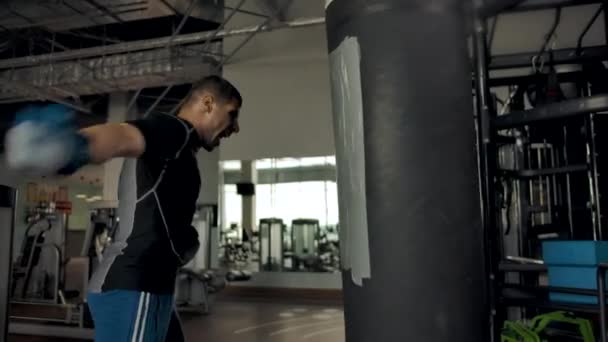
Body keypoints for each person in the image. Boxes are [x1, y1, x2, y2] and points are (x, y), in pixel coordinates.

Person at [4, 75, 242, 342]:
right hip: (136, 287)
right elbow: (123, 136)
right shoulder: (175, 130)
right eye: (232, 114)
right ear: (208, 104)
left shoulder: (182, 149)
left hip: (147, 287)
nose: (236, 127)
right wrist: (71, 148)